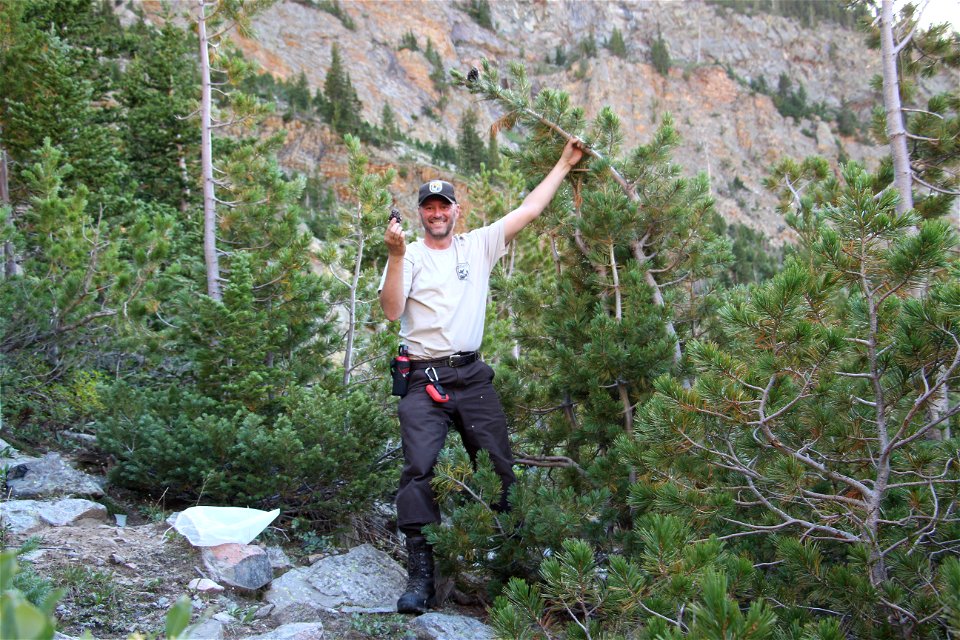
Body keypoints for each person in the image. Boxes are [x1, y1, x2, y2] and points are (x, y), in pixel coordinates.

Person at [380, 138, 583, 614]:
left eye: (443, 205)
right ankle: (421, 578)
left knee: (498, 468)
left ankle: (511, 568)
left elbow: (530, 208)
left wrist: (564, 163)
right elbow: (391, 312)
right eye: (428, 207)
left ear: (456, 210)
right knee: (419, 471)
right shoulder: (407, 254)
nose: (436, 213)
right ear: (419, 214)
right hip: (421, 379)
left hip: (471, 376)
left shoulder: (480, 244)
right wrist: (391, 256)